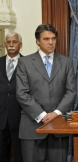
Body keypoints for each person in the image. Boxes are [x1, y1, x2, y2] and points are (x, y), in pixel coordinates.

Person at [16, 24, 76, 162]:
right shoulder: (24, 62)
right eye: (46, 39)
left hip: (59, 125)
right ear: (37, 41)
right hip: (32, 125)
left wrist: (55, 114)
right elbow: (22, 93)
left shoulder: (66, 62)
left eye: (53, 38)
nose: (51, 42)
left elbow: (71, 92)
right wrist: (42, 115)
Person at [0, 32, 24, 162]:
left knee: (21, 155)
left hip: (20, 117)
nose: (11, 45)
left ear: (20, 44)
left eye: (14, 42)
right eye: (8, 42)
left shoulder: (28, 63)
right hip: (1, 117)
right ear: (5, 44)